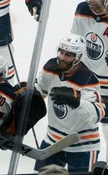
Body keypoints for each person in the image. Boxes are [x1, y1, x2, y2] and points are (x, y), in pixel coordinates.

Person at [34, 34, 106, 173]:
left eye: (68, 54)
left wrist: (77, 101)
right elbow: (41, 89)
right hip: (53, 140)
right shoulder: (50, 67)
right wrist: (27, 91)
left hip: (83, 145)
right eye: (61, 51)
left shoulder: (88, 79)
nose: (62, 57)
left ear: (78, 57)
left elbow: (98, 114)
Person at [70, 0, 108, 162]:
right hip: (86, 80)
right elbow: (75, 40)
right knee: (81, 119)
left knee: (107, 125)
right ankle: (81, 159)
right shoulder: (82, 9)